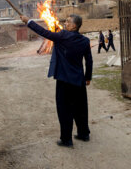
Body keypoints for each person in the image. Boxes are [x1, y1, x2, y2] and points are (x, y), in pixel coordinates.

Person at [20, 14, 93, 148]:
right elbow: (89, 60)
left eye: (68, 22)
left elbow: (44, 32)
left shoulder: (63, 36)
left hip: (64, 81)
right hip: (79, 81)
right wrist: (87, 77)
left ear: (74, 26)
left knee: (65, 111)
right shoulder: (84, 41)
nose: (65, 23)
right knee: (81, 109)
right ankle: (83, 134)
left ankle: (66, 140)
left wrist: (28, 21)